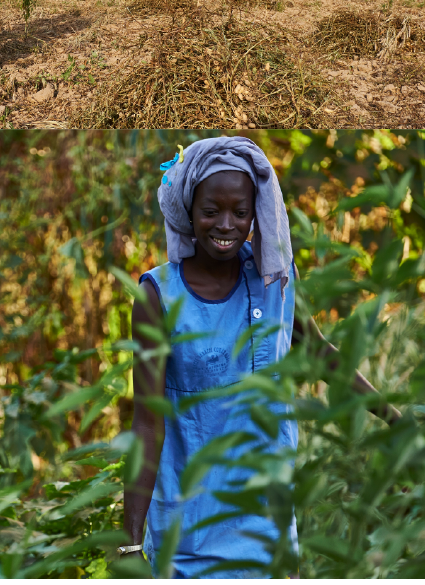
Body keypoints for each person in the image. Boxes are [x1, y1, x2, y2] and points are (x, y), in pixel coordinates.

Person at [123, 136, 400, 579]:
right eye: (211, 211)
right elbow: (147, 423)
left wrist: (397, 420)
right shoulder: (159, 296)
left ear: (256, 214)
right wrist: (130, 542)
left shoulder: (273, 279)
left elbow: (321, 353)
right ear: (189, 212)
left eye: (241, 212)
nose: (226, 225)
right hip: (189, 535)